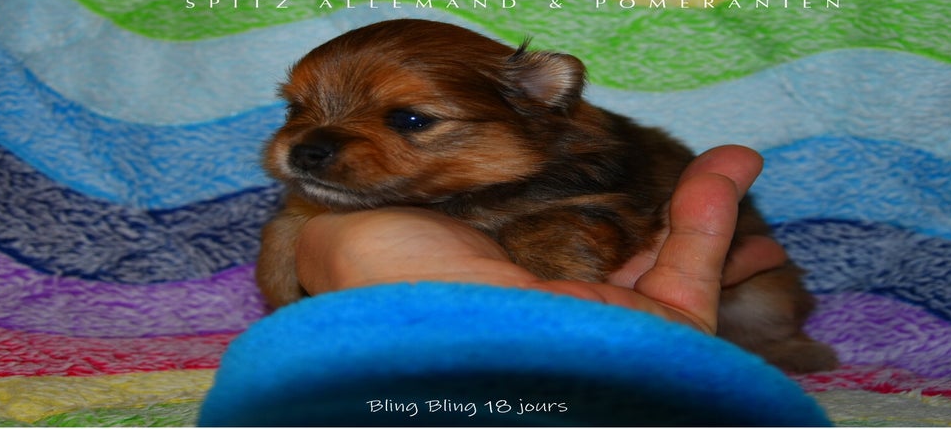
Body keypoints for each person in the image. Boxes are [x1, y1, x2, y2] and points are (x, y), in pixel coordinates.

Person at [292, 145, 786, 335]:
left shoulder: (576, 166)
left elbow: (604, 226)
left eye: (412, 122)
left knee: (762, 305)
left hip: (711, 282)